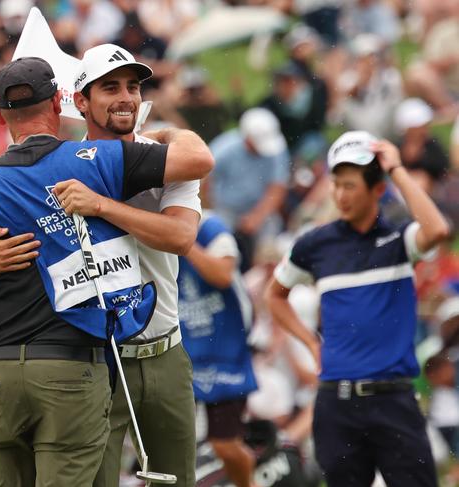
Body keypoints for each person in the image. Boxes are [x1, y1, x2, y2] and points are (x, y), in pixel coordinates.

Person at [0, 56, 213, 487]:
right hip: (92, 355)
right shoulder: (91, 160)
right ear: (70, 103)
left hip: (156, 350)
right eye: (111, 88)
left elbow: (182, 232)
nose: (126, 97)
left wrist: (110, 195)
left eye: (132, 87)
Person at [265, 130, 449, 487]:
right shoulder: (315, 245)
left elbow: (438, 229)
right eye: (336, 184)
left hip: (394, 400)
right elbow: (275, 295)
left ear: (377, 190)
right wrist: (311, 343)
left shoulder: (398, 240)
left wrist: (396, 170)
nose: (339, 195)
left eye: (349, 186)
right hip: (337, 405)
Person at [177, 209, 257, 487]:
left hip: (225, 352)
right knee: (174, 447)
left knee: (225, 445)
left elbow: (223, 274)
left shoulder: (210, 225)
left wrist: (182, 241)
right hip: (183, 354)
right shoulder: (147, 227)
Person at [208, 108, 290, 273]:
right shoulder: (224, 148)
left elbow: (277, 188)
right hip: (226, 207)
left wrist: (257, 216)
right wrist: (210, 209)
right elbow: (205, 180)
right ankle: (223, 274)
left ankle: (261, 278)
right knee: (216, 238)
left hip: (259, 206)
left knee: (270, 237)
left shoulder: (277, 151)